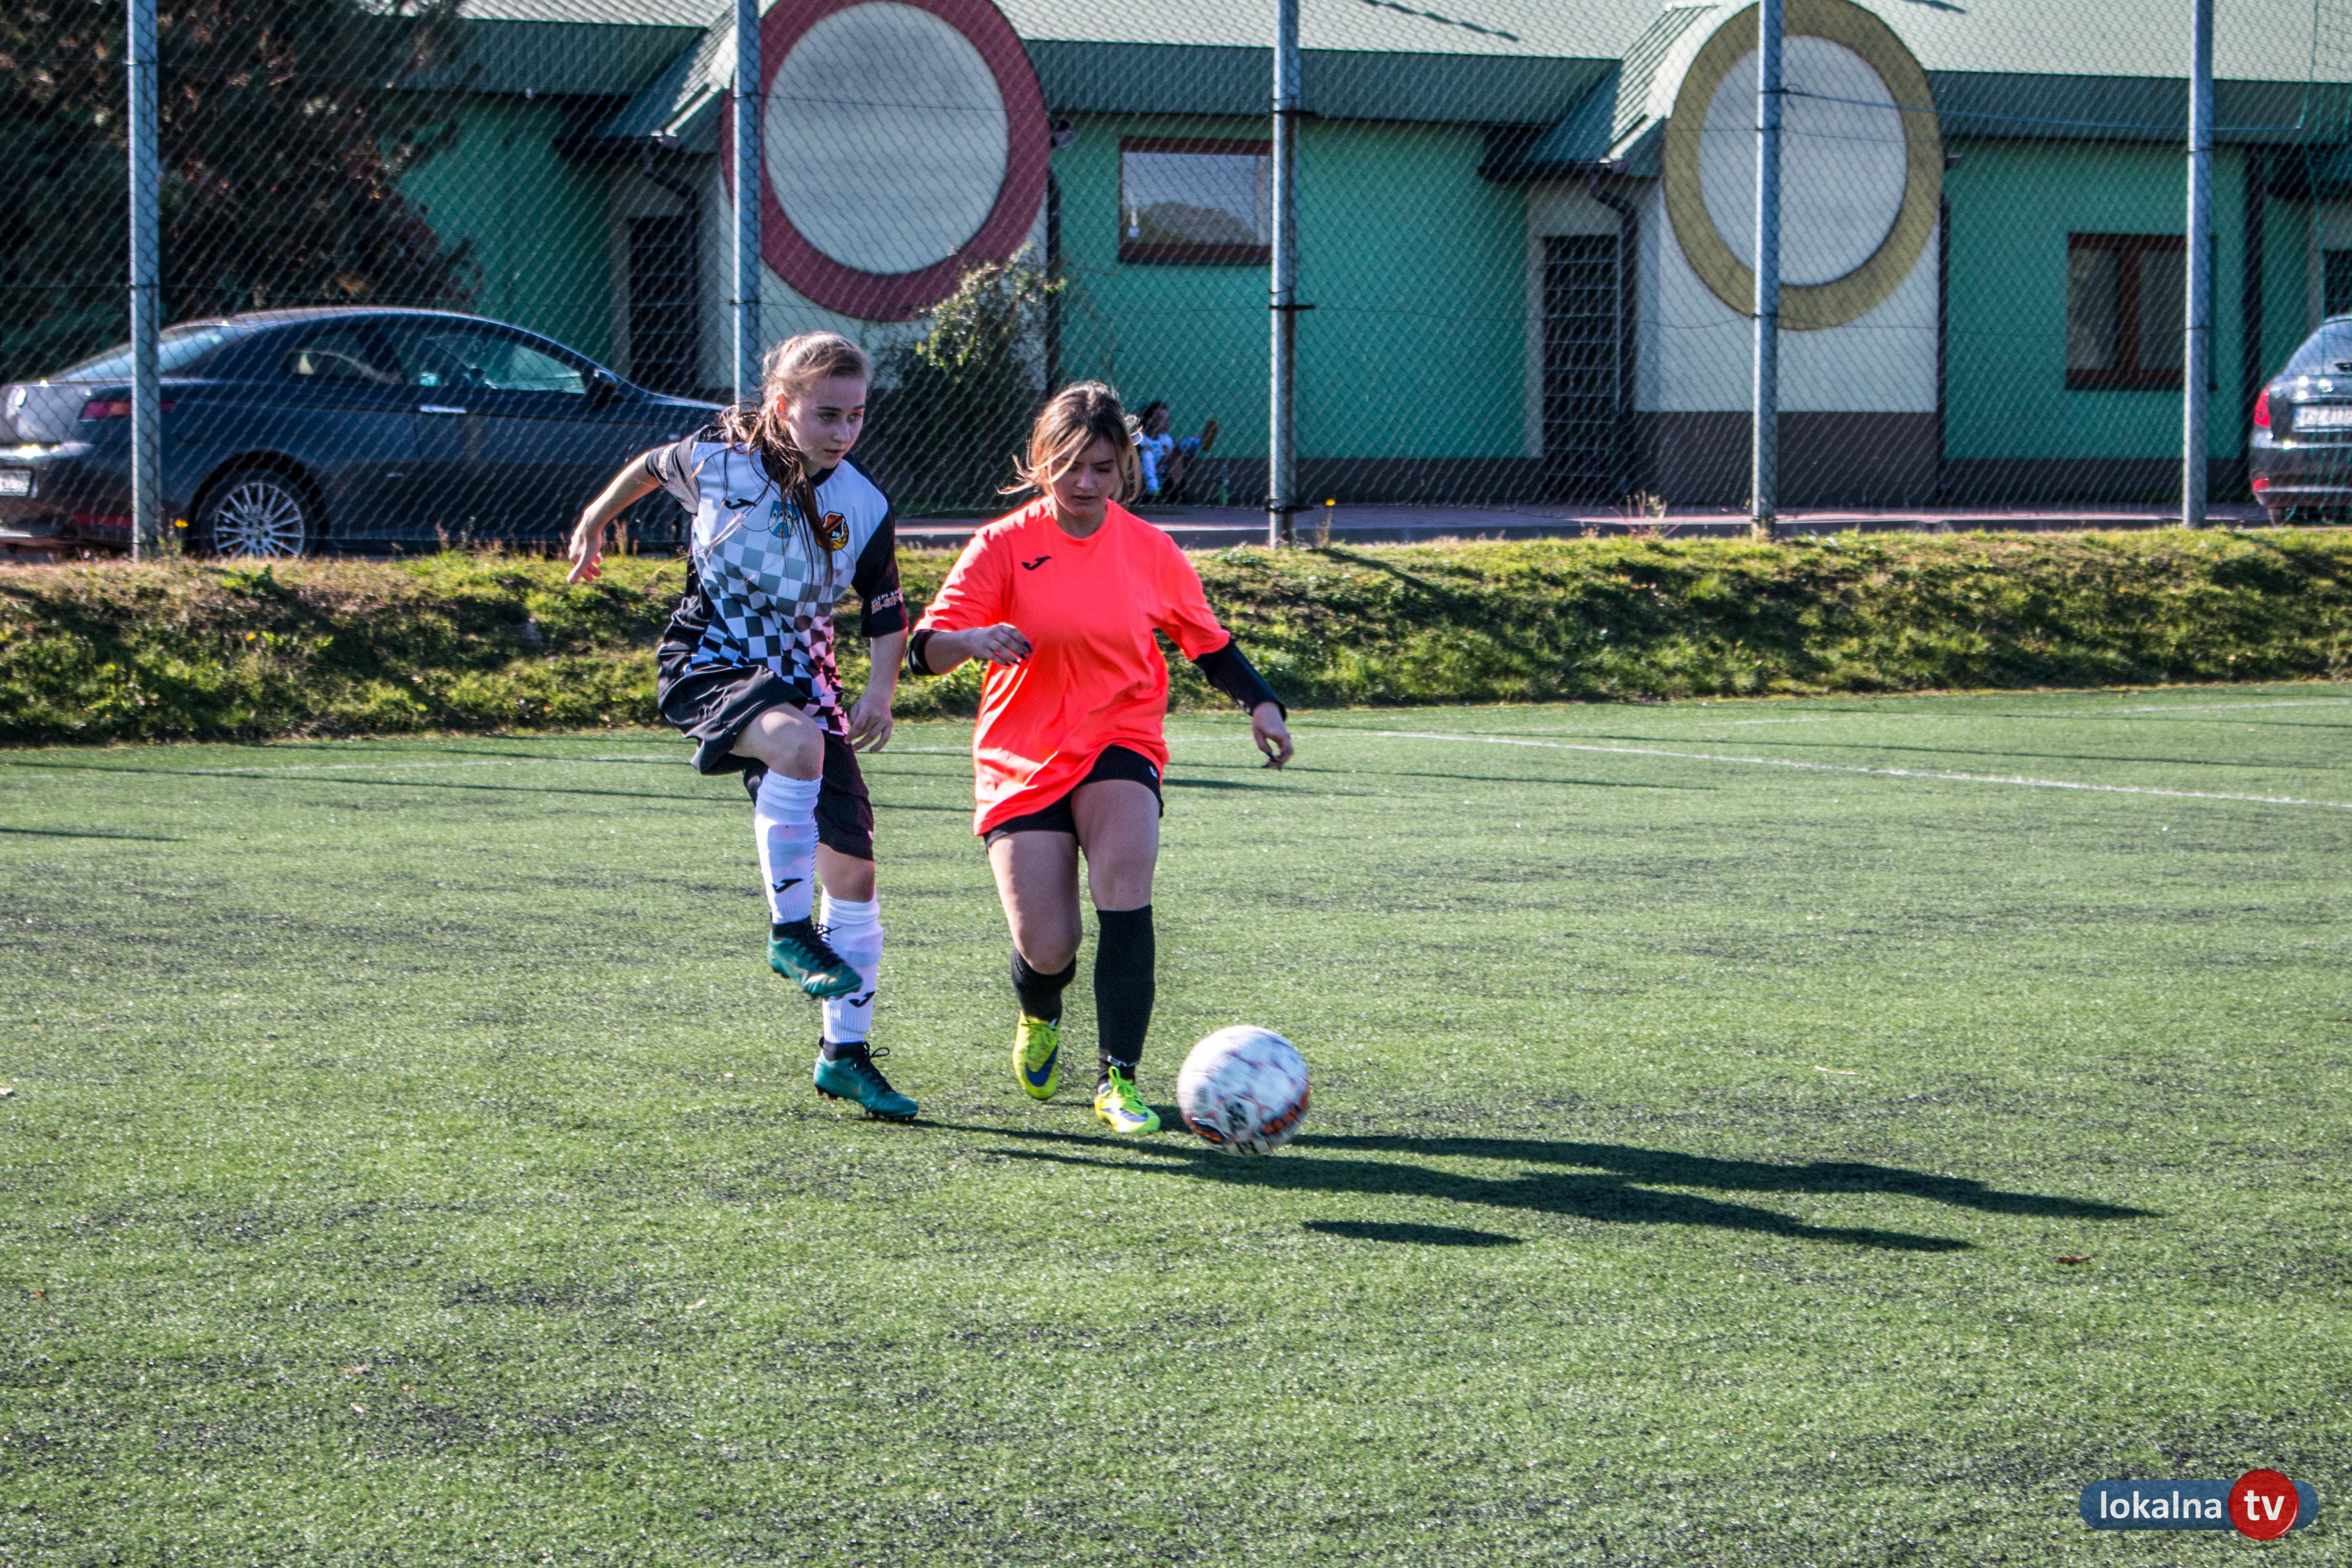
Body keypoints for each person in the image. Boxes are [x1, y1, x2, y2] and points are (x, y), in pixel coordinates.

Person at [906, 382, 1293, 1134]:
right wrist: (971, 641)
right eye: (1070, 465)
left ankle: (1119, 1079)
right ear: (1041, 461)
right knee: (1049, 946)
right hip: (1021, 754)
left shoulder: (1149, 549)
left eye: (1103, 468)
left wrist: (1262, 702)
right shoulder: (1001, 545)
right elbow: (924, 650)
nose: (1085, 482)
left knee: (1125, 886)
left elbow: (1207, 642)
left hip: (1120, 735)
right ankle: (1039, 1009)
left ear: (1126, 470)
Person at [564, 332, 917, 1121]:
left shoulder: (862, 504)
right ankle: (788, 931)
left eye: (856, 415)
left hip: (807, 684)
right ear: (782, 405)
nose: (843, 431)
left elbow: (886, 608)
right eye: (827, 415)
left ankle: (845, 1055)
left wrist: (880, 692)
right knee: (794, 743)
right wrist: (593, 521)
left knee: (854, 878)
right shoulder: (720, 459)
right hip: (710, 660)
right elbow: (648, 466)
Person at [1130, 401, 1209, 500]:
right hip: (1144, 480)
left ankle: (1199, 442)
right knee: (1147, 454)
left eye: (1168, 419)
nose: (1167, 423)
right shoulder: (1139, 438)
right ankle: (1154, 490)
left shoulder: (1166, 439)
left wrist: (1190, 455)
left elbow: (1182, 462)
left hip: (1165, 477)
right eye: (1162, 419)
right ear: (1150, 420)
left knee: (1178, 448)